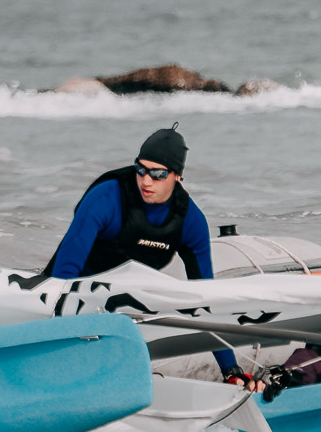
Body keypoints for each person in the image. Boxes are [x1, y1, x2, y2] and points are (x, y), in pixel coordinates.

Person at [43, 126, 259, 391]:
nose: (146, 181)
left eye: (158, 174)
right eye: (141, 169)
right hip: (70, 296)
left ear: (177, 176)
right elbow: (64, 273)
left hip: (122, 311)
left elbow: (205, 302)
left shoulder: (190, 222)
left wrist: (231, 370)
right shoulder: (107, 197)